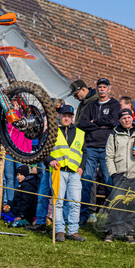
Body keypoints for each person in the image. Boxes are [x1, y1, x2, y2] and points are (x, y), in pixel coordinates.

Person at [77, 77, 120, 224]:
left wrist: (94, 122)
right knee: (87, 180)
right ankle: (85, 215)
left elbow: (113, 122)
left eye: (104, 87)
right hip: (90, 147)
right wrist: (101, 124)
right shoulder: (92, 105)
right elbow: (82, 123)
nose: (102, 89)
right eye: (99, 87)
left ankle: (111, 215)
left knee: (108, 180)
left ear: (109, 89)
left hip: (107, 147)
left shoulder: (114, 104)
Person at [103, 108, 135, 243]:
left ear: (132, 117)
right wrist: (113, 173)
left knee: (134, 203)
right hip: (120, 173)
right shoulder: (114, 134)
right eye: (123, 118)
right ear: (119, 120)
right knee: (117, 202)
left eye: (128, 117)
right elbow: (109, 156)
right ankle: (111, 231)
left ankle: (129, 231)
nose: (126, 120)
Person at [49, 104, 86, 242]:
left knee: (75, 202)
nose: (66, 118)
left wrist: (82, 167)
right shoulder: (53, 132)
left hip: (75, 173)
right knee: (58, 202)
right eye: (64, 115)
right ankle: (59, 231)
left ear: (72, 117)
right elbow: (44, 151)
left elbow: (84, 152)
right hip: (58, 171)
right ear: (59, 116)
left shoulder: (80, 133)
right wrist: (50, 160)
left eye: (69, 116)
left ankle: (73, 231)